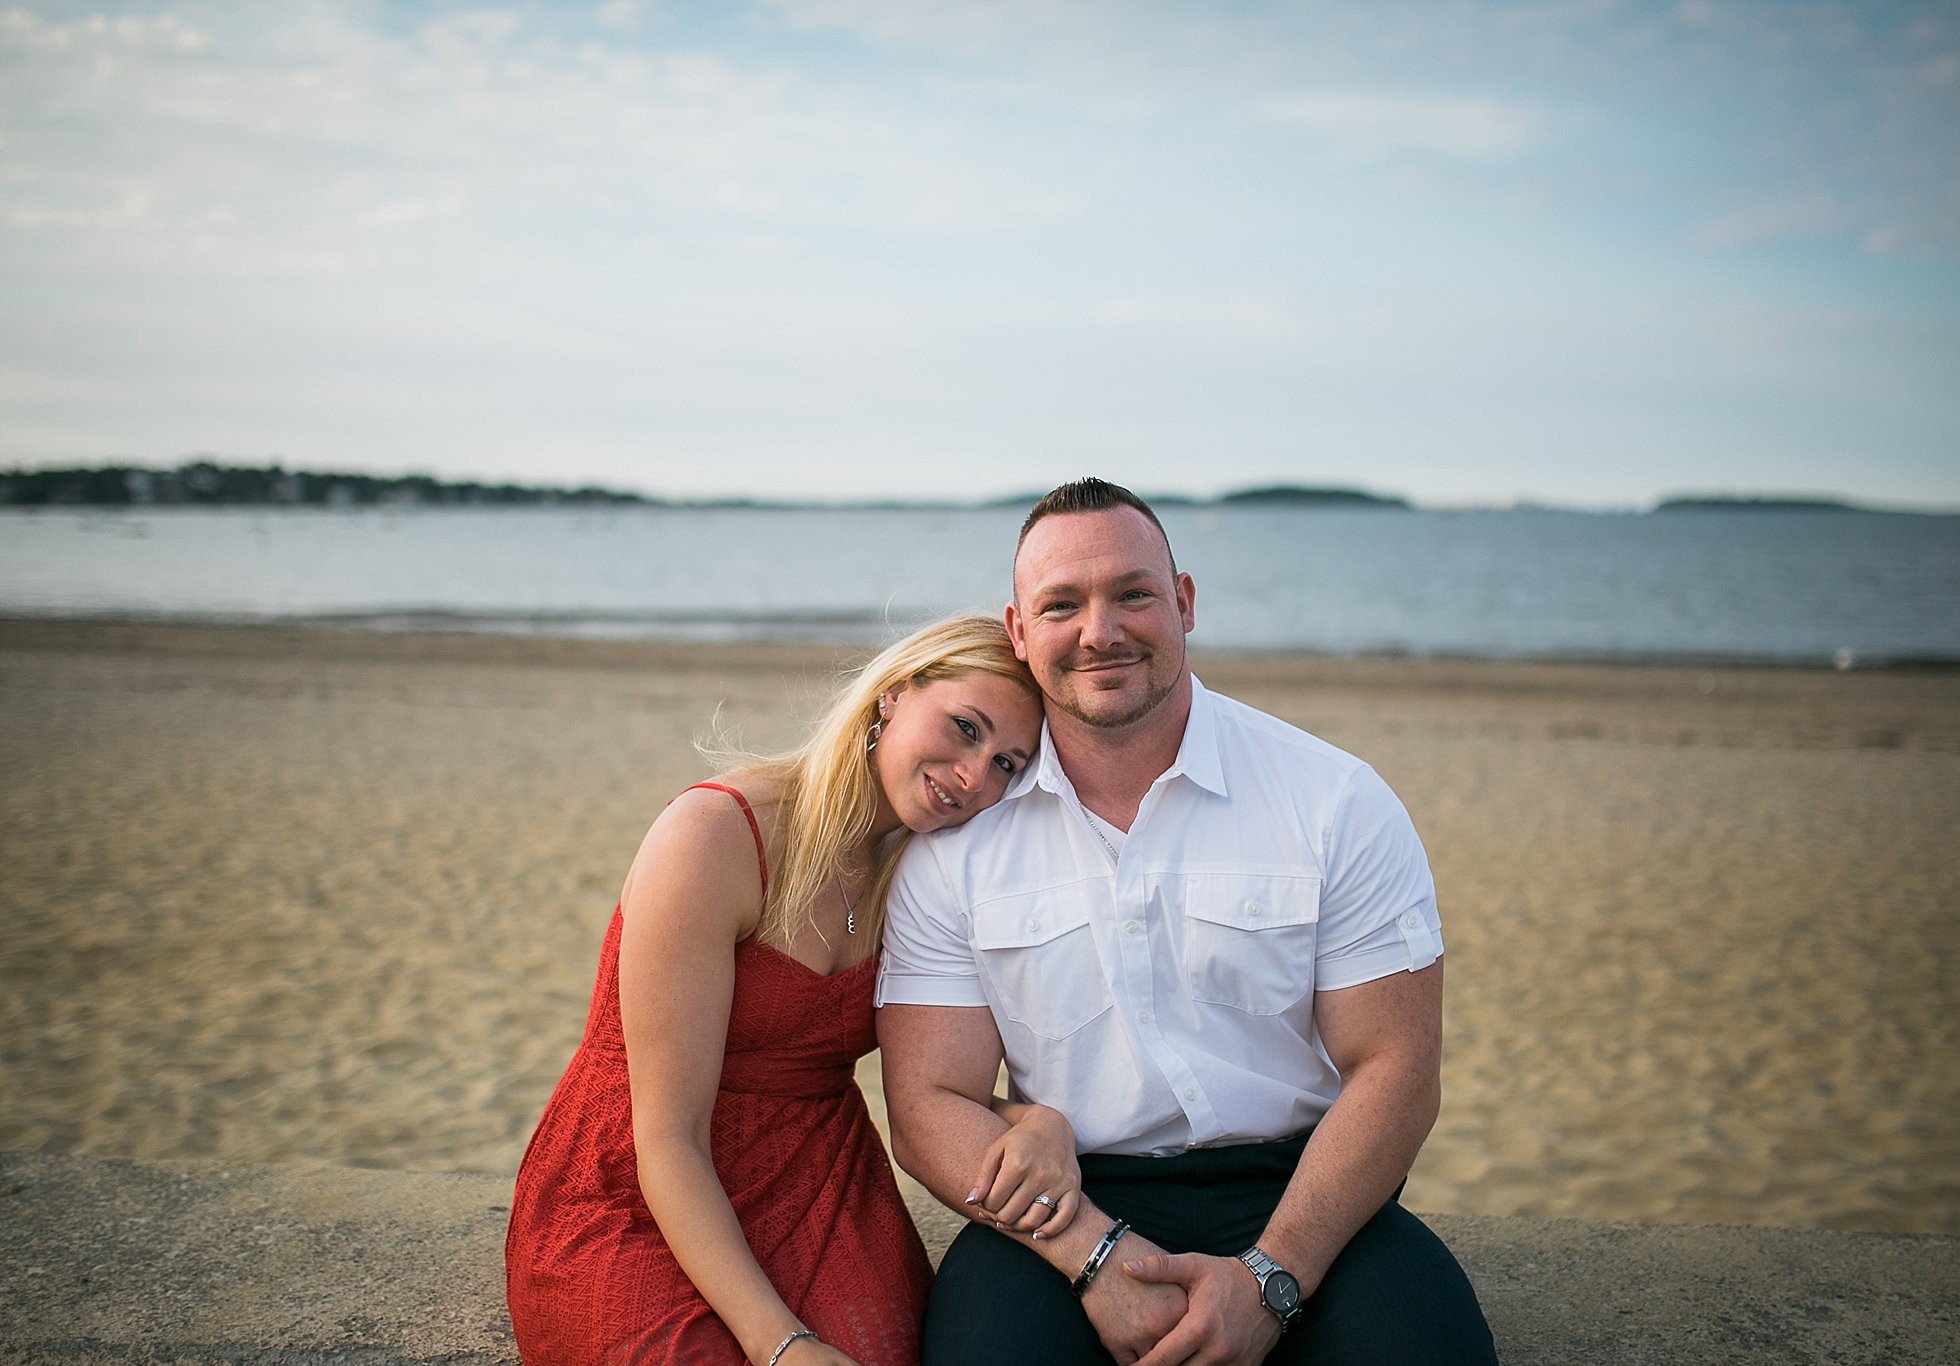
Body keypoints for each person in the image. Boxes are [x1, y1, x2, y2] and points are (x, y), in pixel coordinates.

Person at [877, 481, 1498, 1365]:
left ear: (1185, 603)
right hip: (1066, 1206)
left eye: (1133, 593)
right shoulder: (956, 847)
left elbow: (1398, 1069)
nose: (1101, 631)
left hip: (1307, 1190)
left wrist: (1272, 1276)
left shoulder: (1333, 799)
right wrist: (1094, 1257)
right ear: (1019, 632)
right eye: (1062, 605)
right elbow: (927, 1104)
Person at [506, 615, 1079, 1366]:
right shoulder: (717, 833)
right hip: (640, 1183)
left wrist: (1039, 1124)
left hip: (818, 1181)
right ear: (894, 696)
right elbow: (668, 1136)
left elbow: (931, 1078)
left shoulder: (925, 874)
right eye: (964, 728)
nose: (975, 777)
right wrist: (781, 1344)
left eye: (1008, 763)